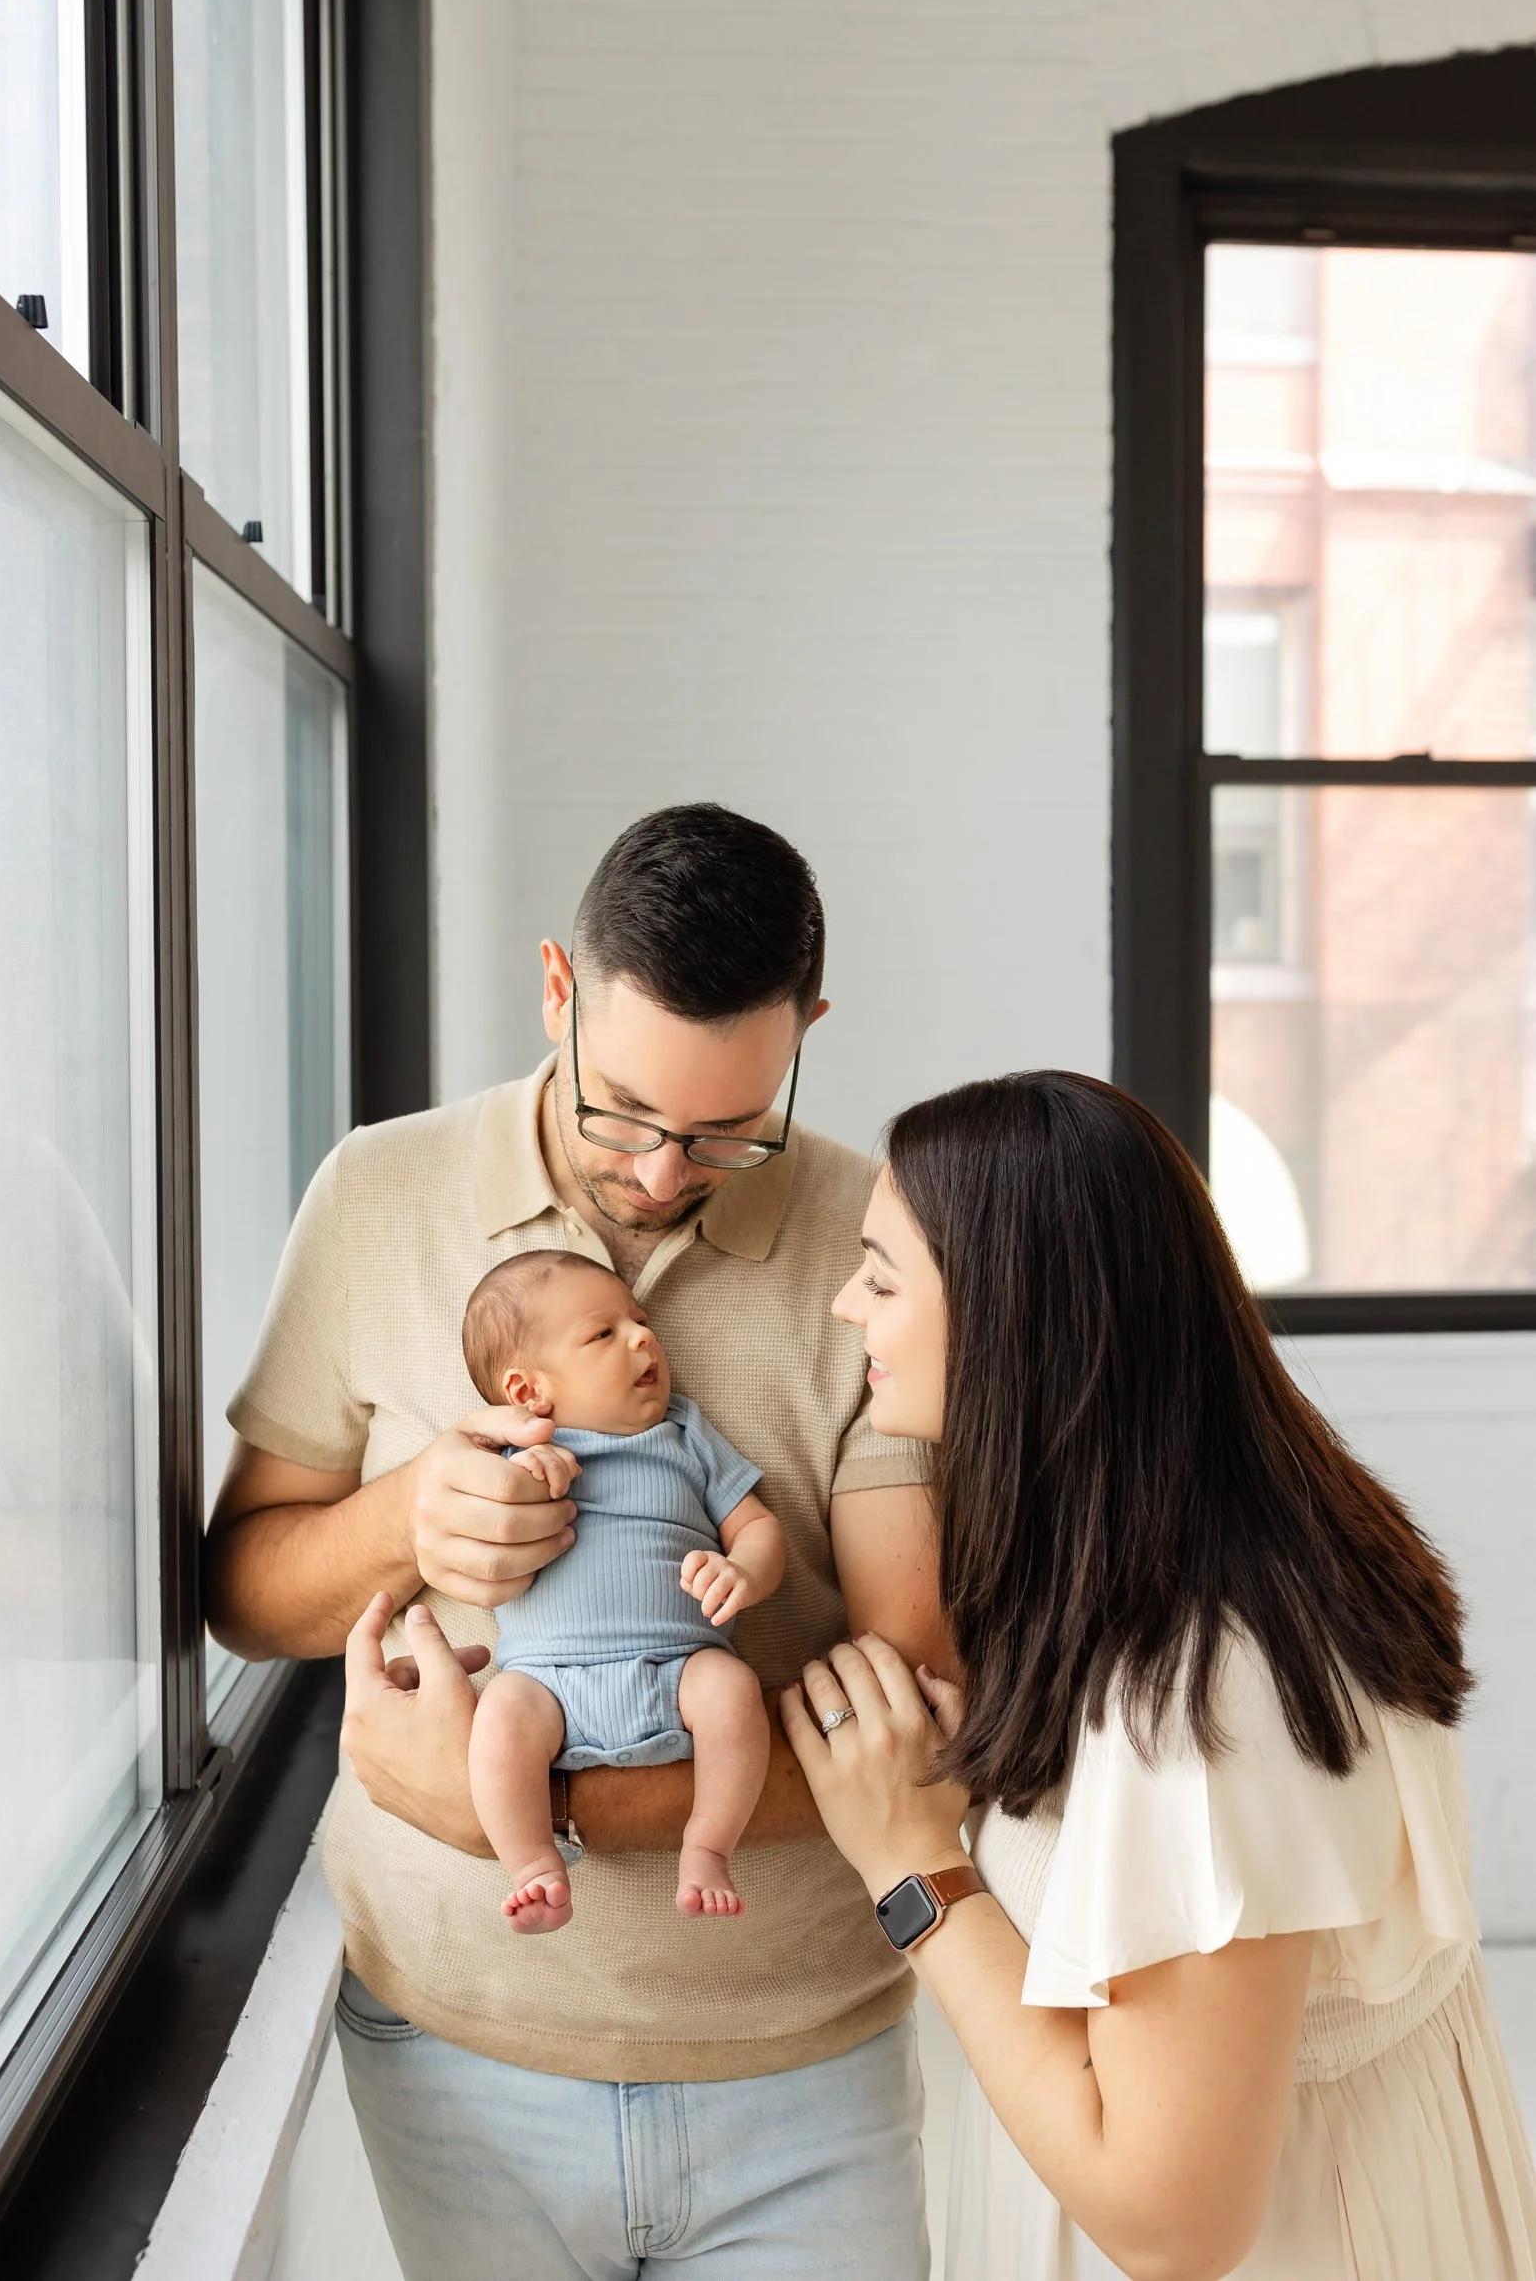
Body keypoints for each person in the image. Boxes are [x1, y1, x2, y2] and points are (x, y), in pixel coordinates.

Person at [204, 804, 951, 2281]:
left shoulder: (877, 1238)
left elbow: (916, 1702)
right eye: (620, 1109)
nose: (665, 1169)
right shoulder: (378, 1195)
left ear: (805, 1026)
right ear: (555, 989)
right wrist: (405, 1519)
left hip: (798, 2062)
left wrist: (546, 1812)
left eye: (728, 1127)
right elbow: (244, 1592)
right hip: (457, 2056)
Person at [783, 1071, 1536, 2281]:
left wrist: (909, 1866)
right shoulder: (1227, 1555)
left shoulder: (1196, 1695)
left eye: (880, 1275)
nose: (841, 1306)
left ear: (1010, 1314)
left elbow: (1172, 2221)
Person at [459, 1250, 785, 1929]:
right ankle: (532, 1865)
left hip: (679, 1671)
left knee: (733, 1693)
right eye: (602, 1334)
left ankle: (706, 1846)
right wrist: (521, 1473)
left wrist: (744, 1571)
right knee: (497, 1719)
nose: (642, 1337)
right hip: (544, 1686)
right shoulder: (511, 1457)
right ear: (526, 1393)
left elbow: (756, 1526)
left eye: (639, 1322)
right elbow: (476, 1545)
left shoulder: (684, 1435)